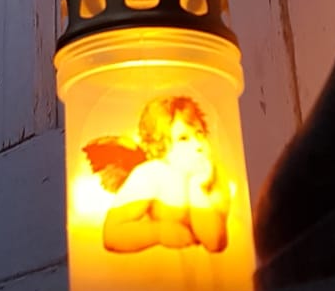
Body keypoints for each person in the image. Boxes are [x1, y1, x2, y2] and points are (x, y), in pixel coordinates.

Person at [92, 96, 231, 253]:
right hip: (148, 265)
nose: (198, 144)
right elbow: (111, 235)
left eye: (200, 134)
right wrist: (159, 232)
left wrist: (196, 188)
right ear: (160, 148)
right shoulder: (151, 174)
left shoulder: (213, 173)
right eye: (183, 138)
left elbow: (214, 243)